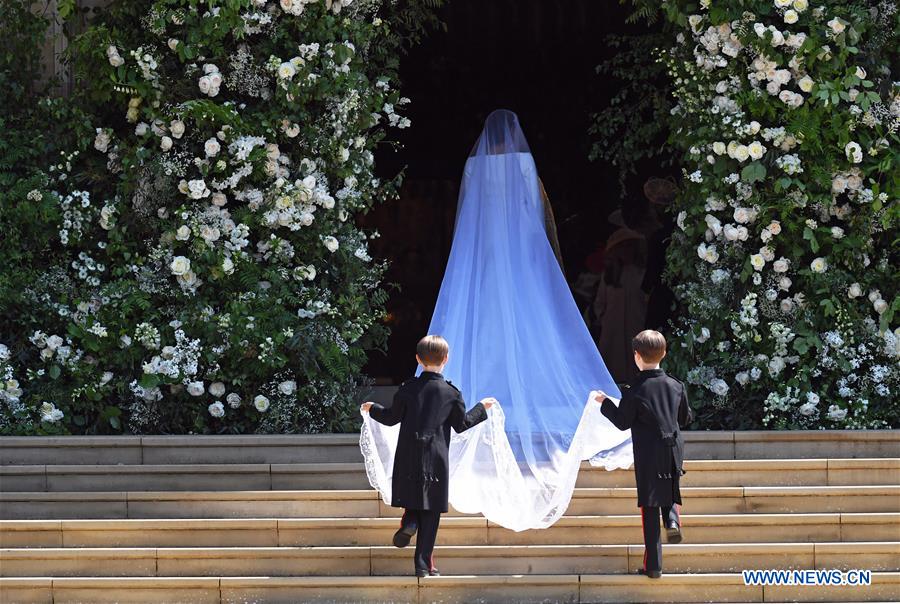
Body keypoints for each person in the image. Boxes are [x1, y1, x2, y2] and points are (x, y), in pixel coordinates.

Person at [361, 335, 496, 577]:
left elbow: (392, 418)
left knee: (413, 498)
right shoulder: (451, 393)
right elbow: (462, 424)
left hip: (408, 455)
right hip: (436, 458)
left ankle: (410, 521)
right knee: (431, 511)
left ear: (417, 359)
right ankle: (423, 566)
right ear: (446, 359)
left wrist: (373, 409)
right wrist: (481, 408)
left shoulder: (408, 388)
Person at [593, 330, 693, 579]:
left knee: (649, 505)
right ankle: (672, 521)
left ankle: (654, 566)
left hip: (648, 452)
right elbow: (686, 418)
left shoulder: (635, 390)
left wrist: (604, 403)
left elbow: (622, 422)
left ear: (637, 356)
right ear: (665, 354)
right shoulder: (676, 385)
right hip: (674, 448)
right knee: (670, 487)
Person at [593, 227, 648, 383]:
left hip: (636, 322)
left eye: (630, 246)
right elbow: (600, 301)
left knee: (635, 358)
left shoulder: (641, 272)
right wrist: (602, 317)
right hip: (612, 325)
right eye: (623, 247)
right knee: (612, 359)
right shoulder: (610, 275)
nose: (627, 251)